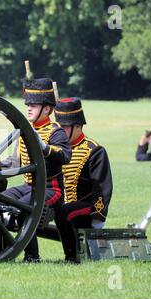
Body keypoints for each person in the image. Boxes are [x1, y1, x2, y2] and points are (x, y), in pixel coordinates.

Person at [0, 77, 71, 263]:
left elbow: (65, 156)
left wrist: (44, 147)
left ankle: (32, 257)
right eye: (28, 104)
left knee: (25, 209)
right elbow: (15, 161)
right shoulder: (26, 130)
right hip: (28, 186)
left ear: (47, 109)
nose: (29, 108)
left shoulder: (55, 132)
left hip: (51, 189)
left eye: (34, 105)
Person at [53, 97, 113, 263]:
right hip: (59, 201)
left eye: (64, 127)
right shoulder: (56, 148)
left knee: (64, 212)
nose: (59, 131)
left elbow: (102, 188)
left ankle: (72, 257)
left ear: (78, 126)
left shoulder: (94, 150)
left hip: (86, 206)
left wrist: (97, 218)